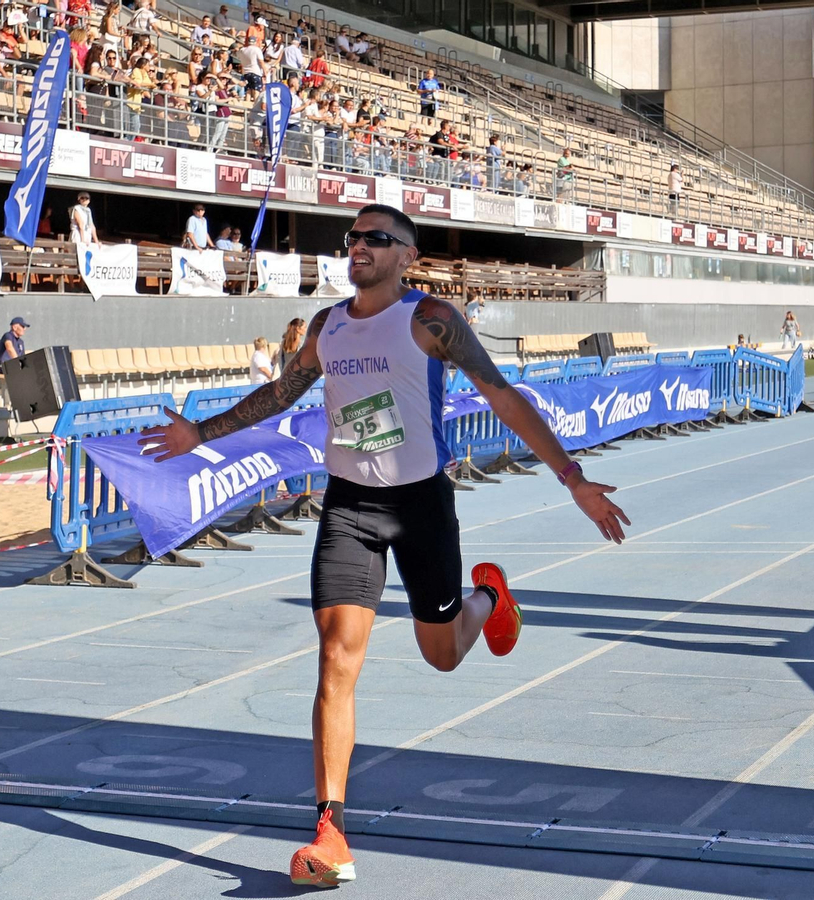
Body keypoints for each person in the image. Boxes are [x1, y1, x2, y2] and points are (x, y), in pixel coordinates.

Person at [139, 204, 630, 889]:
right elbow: (279, 394)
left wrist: (572, 478)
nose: (359, 246)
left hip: (419, 506)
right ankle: (330, 829)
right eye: (353, 237)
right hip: (350, 507)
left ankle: (488, 597)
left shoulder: (432, 320)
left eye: (377, 238)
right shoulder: (328, 324)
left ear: (407, 255)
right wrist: (201, 433)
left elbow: (504, 397)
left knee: (443, 654)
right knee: (336, 657)